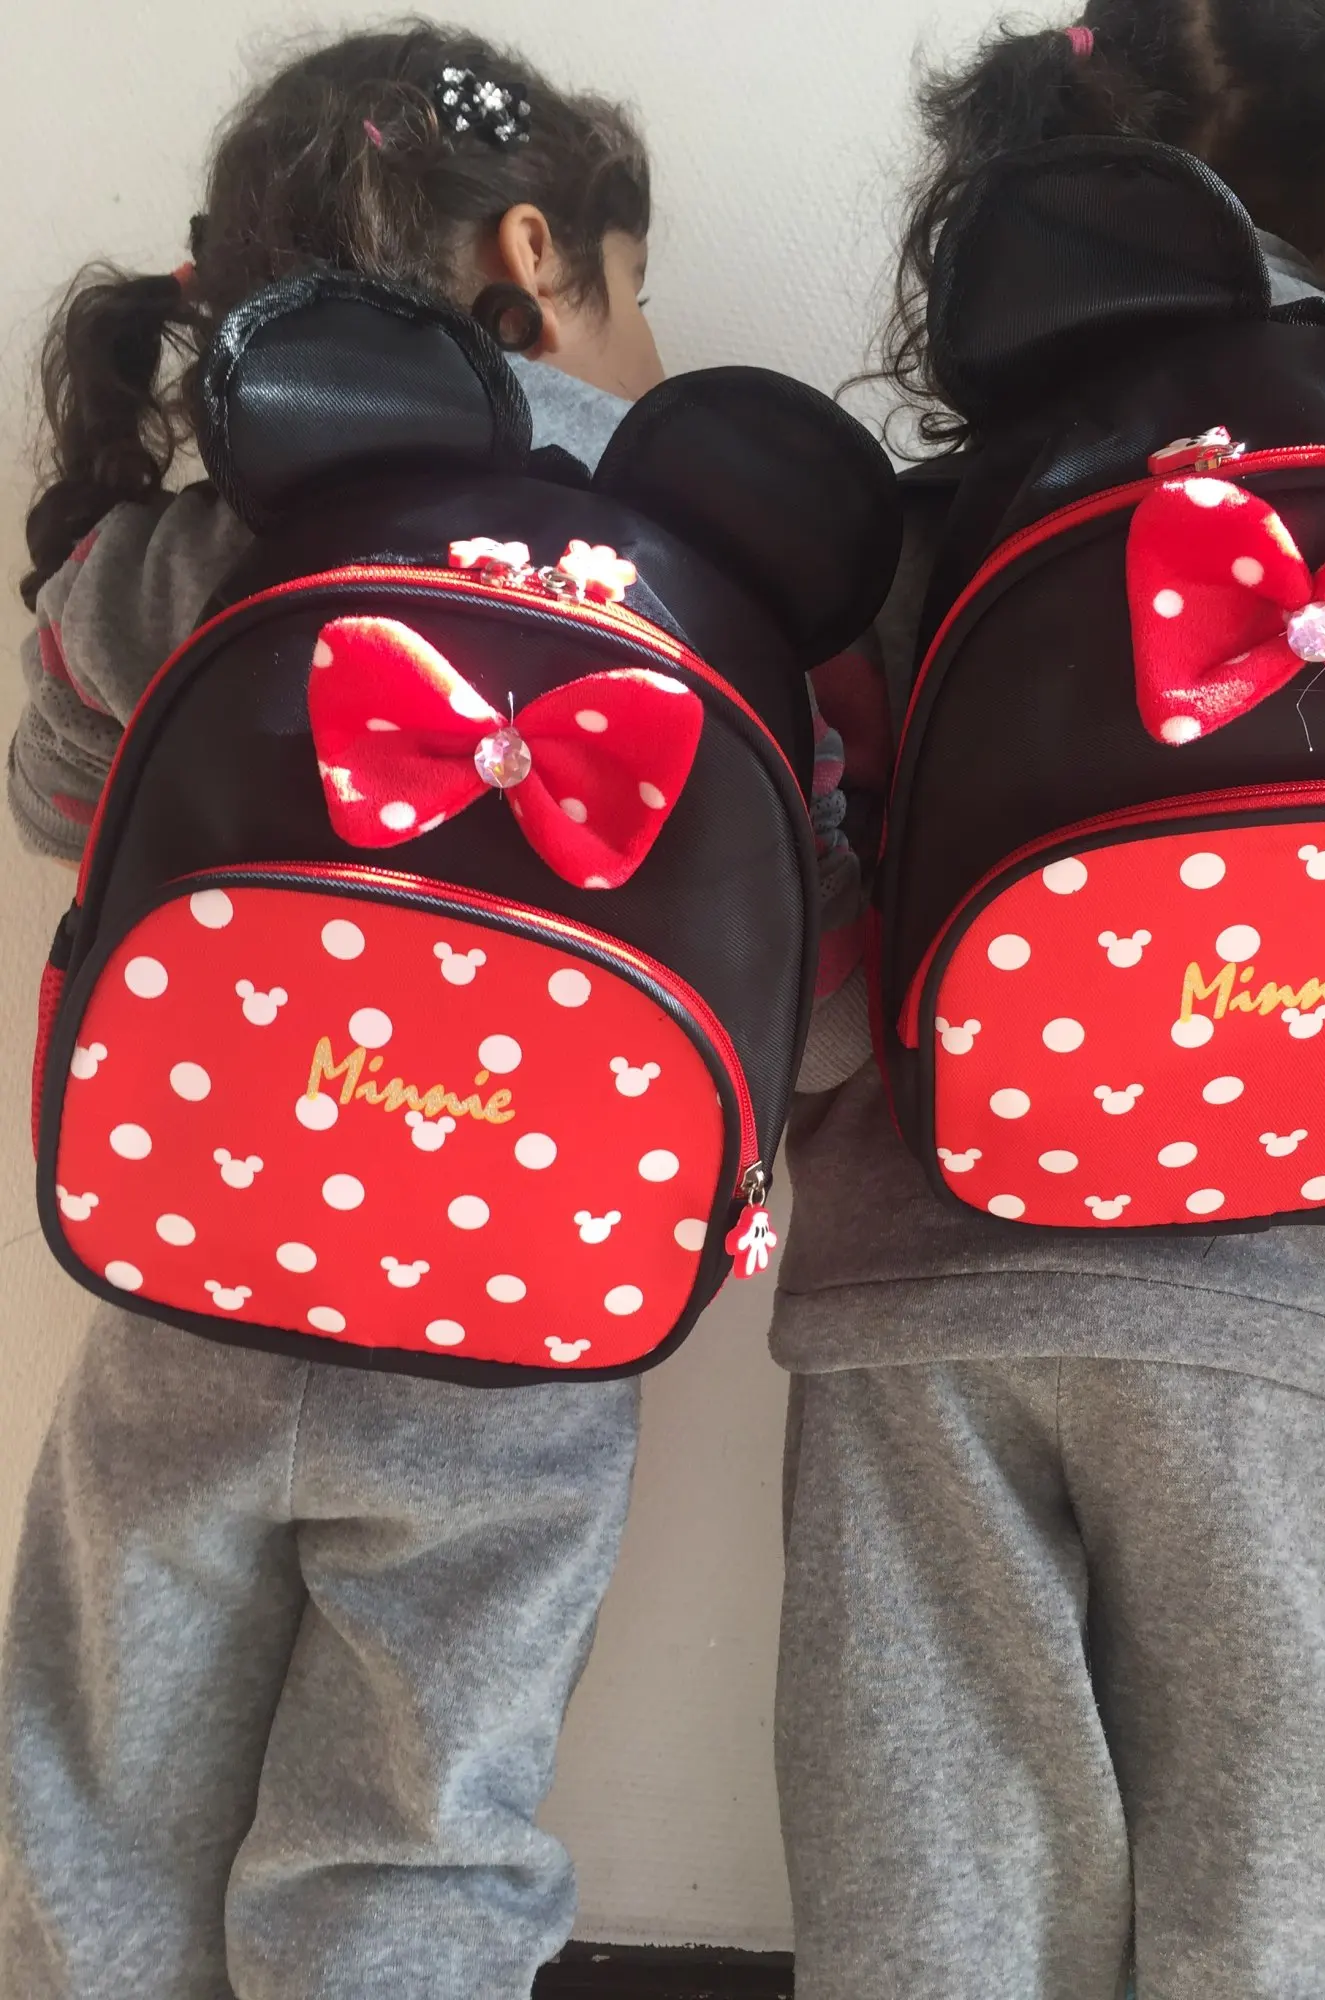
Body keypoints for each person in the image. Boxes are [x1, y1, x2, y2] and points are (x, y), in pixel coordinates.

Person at [773, 5, 1325, 1997]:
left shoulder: (920, 530)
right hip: (1276, 1294)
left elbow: (807, 983)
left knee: (934, 1858)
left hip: (913, 1284)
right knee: (1288, 1851)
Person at [1, 25, 664, 1998]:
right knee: (422, 1815)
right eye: (635, 288)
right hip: (522, 1313)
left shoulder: (175, 560)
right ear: (535, 255)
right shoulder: (688, 555)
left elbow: (55, 804)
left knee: (103, 1775)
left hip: (186, 1265)